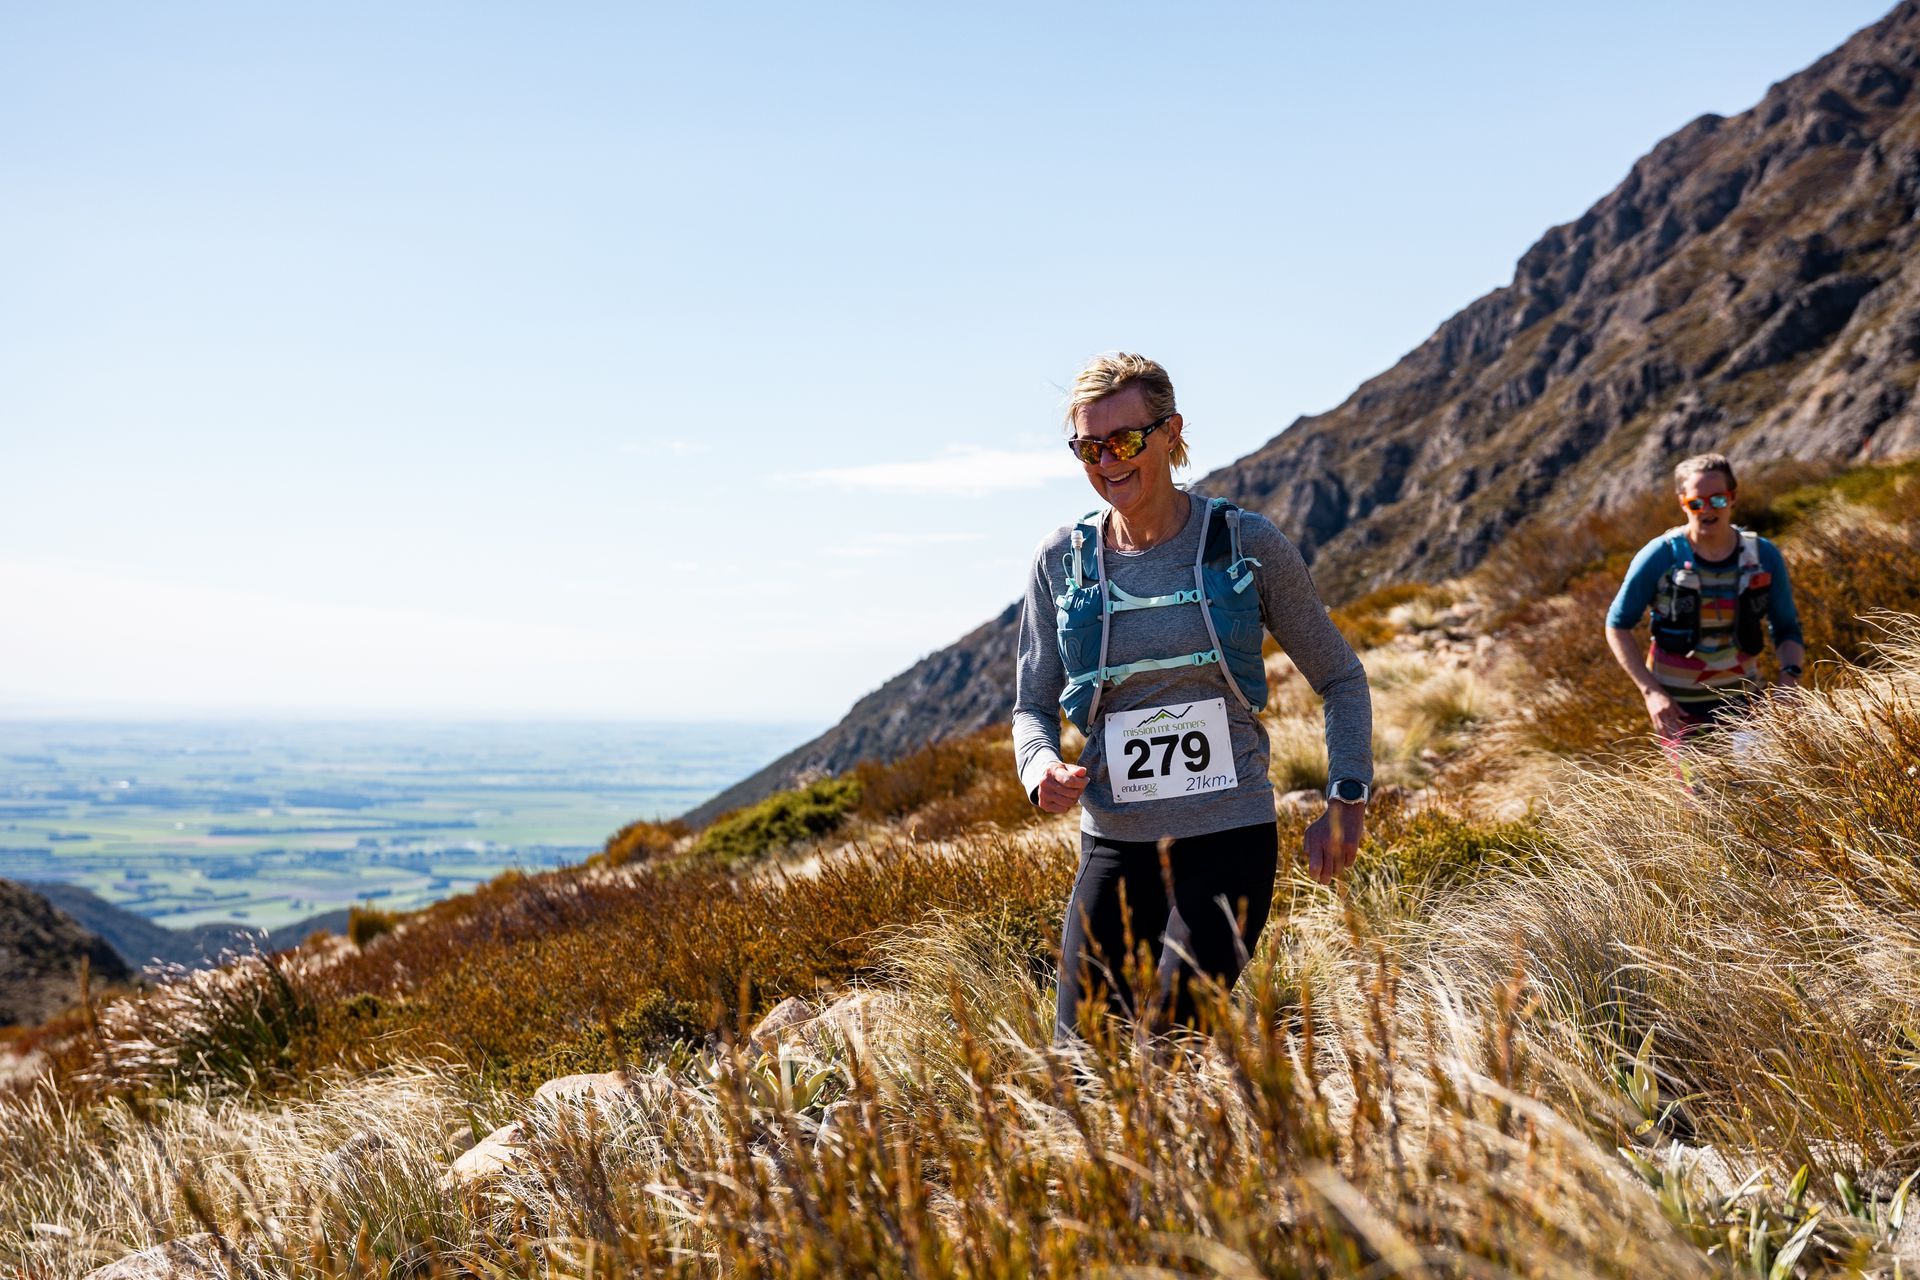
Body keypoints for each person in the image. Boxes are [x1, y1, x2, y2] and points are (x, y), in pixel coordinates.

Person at [1013, 352, 1374, 1043]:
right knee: (1082, 1070)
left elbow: (1341, 678)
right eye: (1089, 448)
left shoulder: (1246, 545)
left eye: (1124, 441)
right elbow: (1031, 704)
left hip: (1229, 837)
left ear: (1171, 432)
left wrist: (1345, 801)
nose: (1107, 461)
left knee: (1166, 1051)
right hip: (1115, 841)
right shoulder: (1061, 560)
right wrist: (1039, 769)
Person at [1604, 452, 1805, 766]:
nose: (1708, 510)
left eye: (1718, 500)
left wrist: (1789, 680)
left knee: (1760, 800)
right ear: (1683, 502)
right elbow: (1617, 624)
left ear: (1733, 498)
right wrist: (1651, 693)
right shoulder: (1660, 556)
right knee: (1704, 806)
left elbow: (1786, 627)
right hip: (1680, 711)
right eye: (1697, 502)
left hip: (1747, 706)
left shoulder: (1763, 556)